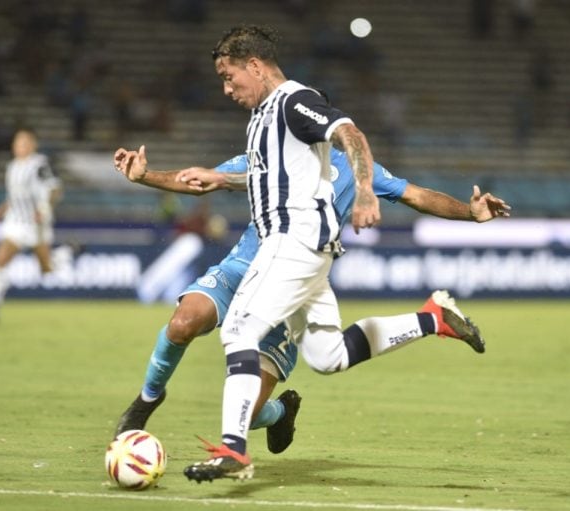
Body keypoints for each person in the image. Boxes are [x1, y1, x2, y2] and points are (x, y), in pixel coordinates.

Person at [115, 24, 510, 483]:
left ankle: (233, 450)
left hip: (292, 241)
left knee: (239, 329)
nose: (226, 89)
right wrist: (146, 176)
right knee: (329, 356)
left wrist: (365, 191)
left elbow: (351, 133)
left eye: (229, 76)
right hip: (308, 252)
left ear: (256, 66)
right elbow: (207, 179)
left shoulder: (290, 101)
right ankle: (433, 319)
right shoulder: (262, 124)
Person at [112, 142, 508, 456]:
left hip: (293, 288)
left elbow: (416, 195)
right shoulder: (267, 154)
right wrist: (146, 176)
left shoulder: (353, 171)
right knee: (183, 322)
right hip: (242, 269)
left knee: (247, 412)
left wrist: (469, 213)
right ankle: (147, 401)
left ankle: (280, 412)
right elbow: (205, 180)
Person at [0, 128, 63, 322]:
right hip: (15, 222)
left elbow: (55, 188)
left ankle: (69, 252)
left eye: (24, 143)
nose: (19, 146)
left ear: (33, 145)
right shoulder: (12, 166)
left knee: (47, 269)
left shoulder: (40, 164)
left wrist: (44, 208)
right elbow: (14, 197)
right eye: (17, 143)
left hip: (37, 224)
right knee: (0, 259)